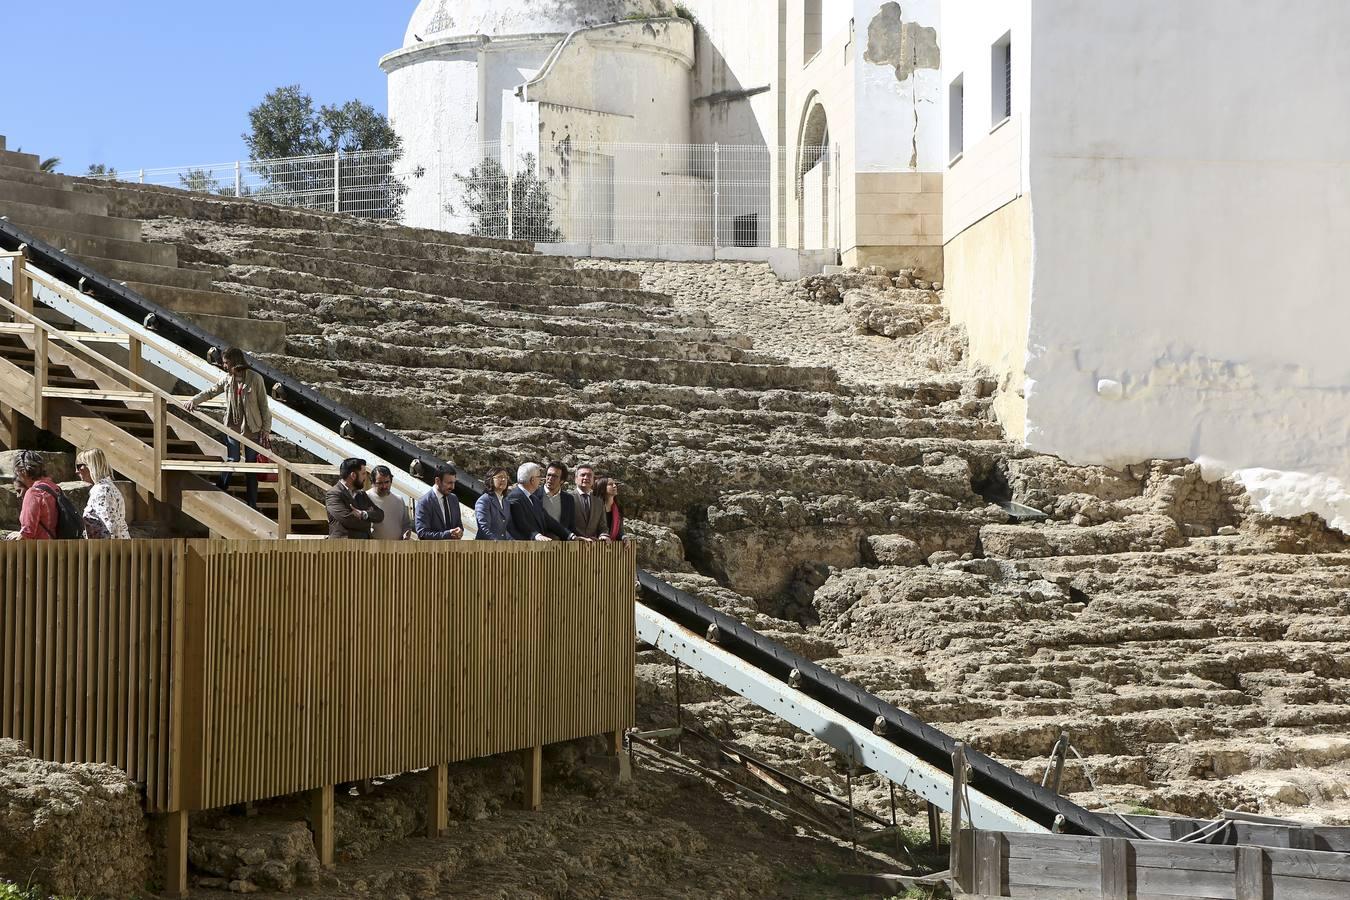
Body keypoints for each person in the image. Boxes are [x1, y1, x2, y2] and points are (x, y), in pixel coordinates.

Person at [183, 346, 271, 510]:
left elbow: (264, 407)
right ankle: (221, 489)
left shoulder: (255, 378)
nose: (224, 366)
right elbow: (211, 391)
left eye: (226, 363)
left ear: (234, 362)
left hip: (252, 428)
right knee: (233, 459)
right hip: (232, 426)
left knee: (251, 467)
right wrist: (193, 401)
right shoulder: (227, 379)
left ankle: (252, 504)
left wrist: (266, 429)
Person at [5, 450, 62, 541]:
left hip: (40, 549)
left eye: (17, 473)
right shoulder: (54, 487)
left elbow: (28, 532)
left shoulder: (33, 493)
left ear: (22, 471)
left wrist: (18, 535)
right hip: (57, 546)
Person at [506, 462, 570, 542]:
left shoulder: (533, 498)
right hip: (521, 549)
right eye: (539, 477)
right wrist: (536, 535)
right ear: (532, 480)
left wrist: (570, 536)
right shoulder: (514, 498)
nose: (541, 480)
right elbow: (521, 523)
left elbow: (548, 520)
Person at [77, 448, 130, 539]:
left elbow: (110, 526)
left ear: (91, 466)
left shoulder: (102, 490)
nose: (77, 471)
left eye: (79, 466)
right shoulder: (108, 487)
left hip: (109, 550)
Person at [325, 457, 383, 539]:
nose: (365, 477)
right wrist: (369, 522)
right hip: (342, 548)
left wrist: (364, 514)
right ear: (353, 475)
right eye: (363, 474)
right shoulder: (334, 494)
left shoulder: (361, 494)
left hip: (364, 547)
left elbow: (379, 514)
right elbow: (347, 520)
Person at [415, 464, 464, 541]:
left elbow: (459, 525)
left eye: (454, 482)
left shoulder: (454, 499)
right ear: (437, 481)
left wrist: (460, 531)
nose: (453, 487)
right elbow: (422, 534)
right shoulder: (424, 502)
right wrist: (447, 534)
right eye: (449, 483)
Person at [535, 461, 581, 540]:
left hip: (561, 547)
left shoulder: (568, 499)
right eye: (549, 475)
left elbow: (571, 526)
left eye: (555, 476)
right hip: (535, 546)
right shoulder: (534, 495)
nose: (550, 479)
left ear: (562, 481)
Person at [365, 465, 412, 541]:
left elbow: (406, 525)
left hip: (396, 549)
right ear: (372, 482)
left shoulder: (399, 500)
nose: (384, 486)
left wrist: (406, 533)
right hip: (372, 549)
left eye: (387, 482)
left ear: (391, 481)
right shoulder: (365, 497)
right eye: (379, 483)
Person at [474, 467, 512, 541]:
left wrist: (511, 541)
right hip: (486, 547)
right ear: (491, 480)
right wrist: (496, 542)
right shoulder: (484, 500)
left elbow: (503, 529)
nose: (504, 480)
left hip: (502, 548)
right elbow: (483, 528)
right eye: (500, 477)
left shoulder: (506, 502)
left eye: (505, 477)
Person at [572, 463, 606, 540]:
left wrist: (603, 535)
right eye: (583, 475)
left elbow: (602, 526)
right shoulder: (567, 498)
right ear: (575, 479)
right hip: (571, 546)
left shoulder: (599, 502)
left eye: (589, 475)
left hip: (592, 547)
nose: (586, 477)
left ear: (593, 480)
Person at [594, 477, 625, 542]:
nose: (614, 486)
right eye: (610, 484)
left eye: (615, 484)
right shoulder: (594, 507)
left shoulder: (618, 508)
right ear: (602, 488)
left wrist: (624, 537)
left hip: (611, 547)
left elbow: (620, 531)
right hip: (594, 545)